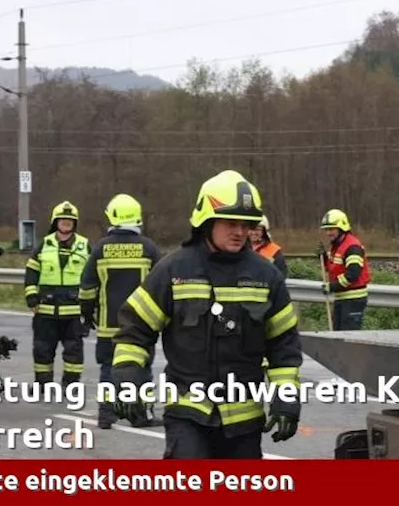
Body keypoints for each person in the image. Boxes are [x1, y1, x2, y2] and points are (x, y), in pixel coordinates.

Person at [110, 170, 302, 459]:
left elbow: (284, 348)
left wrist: (286, 400)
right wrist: (128, 377)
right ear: (206, 222)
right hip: (188, 415)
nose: (240, 232)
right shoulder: (173, 271)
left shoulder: (267, 277)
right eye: (230, 223)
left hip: (244, 422)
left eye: (245, 224)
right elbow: (135, 329)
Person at [79, 193, 163, 429]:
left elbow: (87, 288)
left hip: (108, 325)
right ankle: (141, 416)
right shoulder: (149, 248)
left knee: (108, 369)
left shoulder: (100, 249)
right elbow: (163, 284)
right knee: (142, 370)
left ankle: (106, 415)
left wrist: (87, 314)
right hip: (141, 327)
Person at [23, 200, 91, 386]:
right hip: (45, 310)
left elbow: (92, 277)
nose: (66, 224)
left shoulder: (85, 246)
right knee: (42, 349)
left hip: (73, 311)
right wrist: (31, 297)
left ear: (75, 224)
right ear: (55, 222)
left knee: (74, 351)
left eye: (70, 221)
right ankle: (43, 384)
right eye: (63, 220)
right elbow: (31, 274)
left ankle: (70, 385)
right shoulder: (44, 245)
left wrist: (90, 306)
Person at [319, 208, 370, 331]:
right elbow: (334, 268)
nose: (328, 233)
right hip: (342, 298)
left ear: (342, 228)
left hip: (353, 299)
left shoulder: (352, 247)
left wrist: (332, 286)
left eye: (331, 229)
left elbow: (352, 275)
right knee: (338, 336)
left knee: (349, 338)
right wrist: (324, 257)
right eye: (326, 229)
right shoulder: (338, 246)